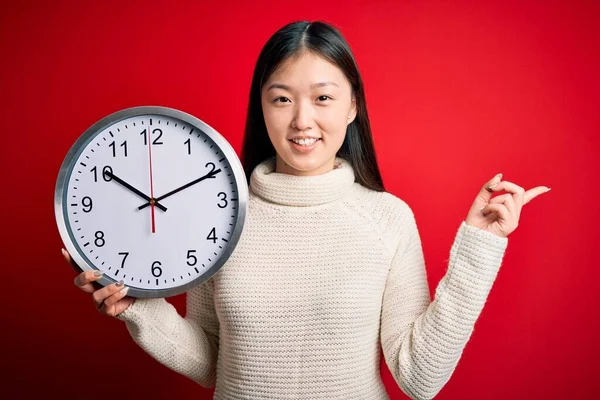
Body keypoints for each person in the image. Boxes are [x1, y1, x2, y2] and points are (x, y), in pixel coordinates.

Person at [64, 20, 550, 400]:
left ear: (352, 106)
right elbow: (212, 360)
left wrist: (479, 248)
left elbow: (419, 379)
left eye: (322, 98)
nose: (302, 120)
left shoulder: (387, 219)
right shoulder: (217, 217)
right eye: (281, 99)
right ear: (262, 106)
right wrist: (139, 309)